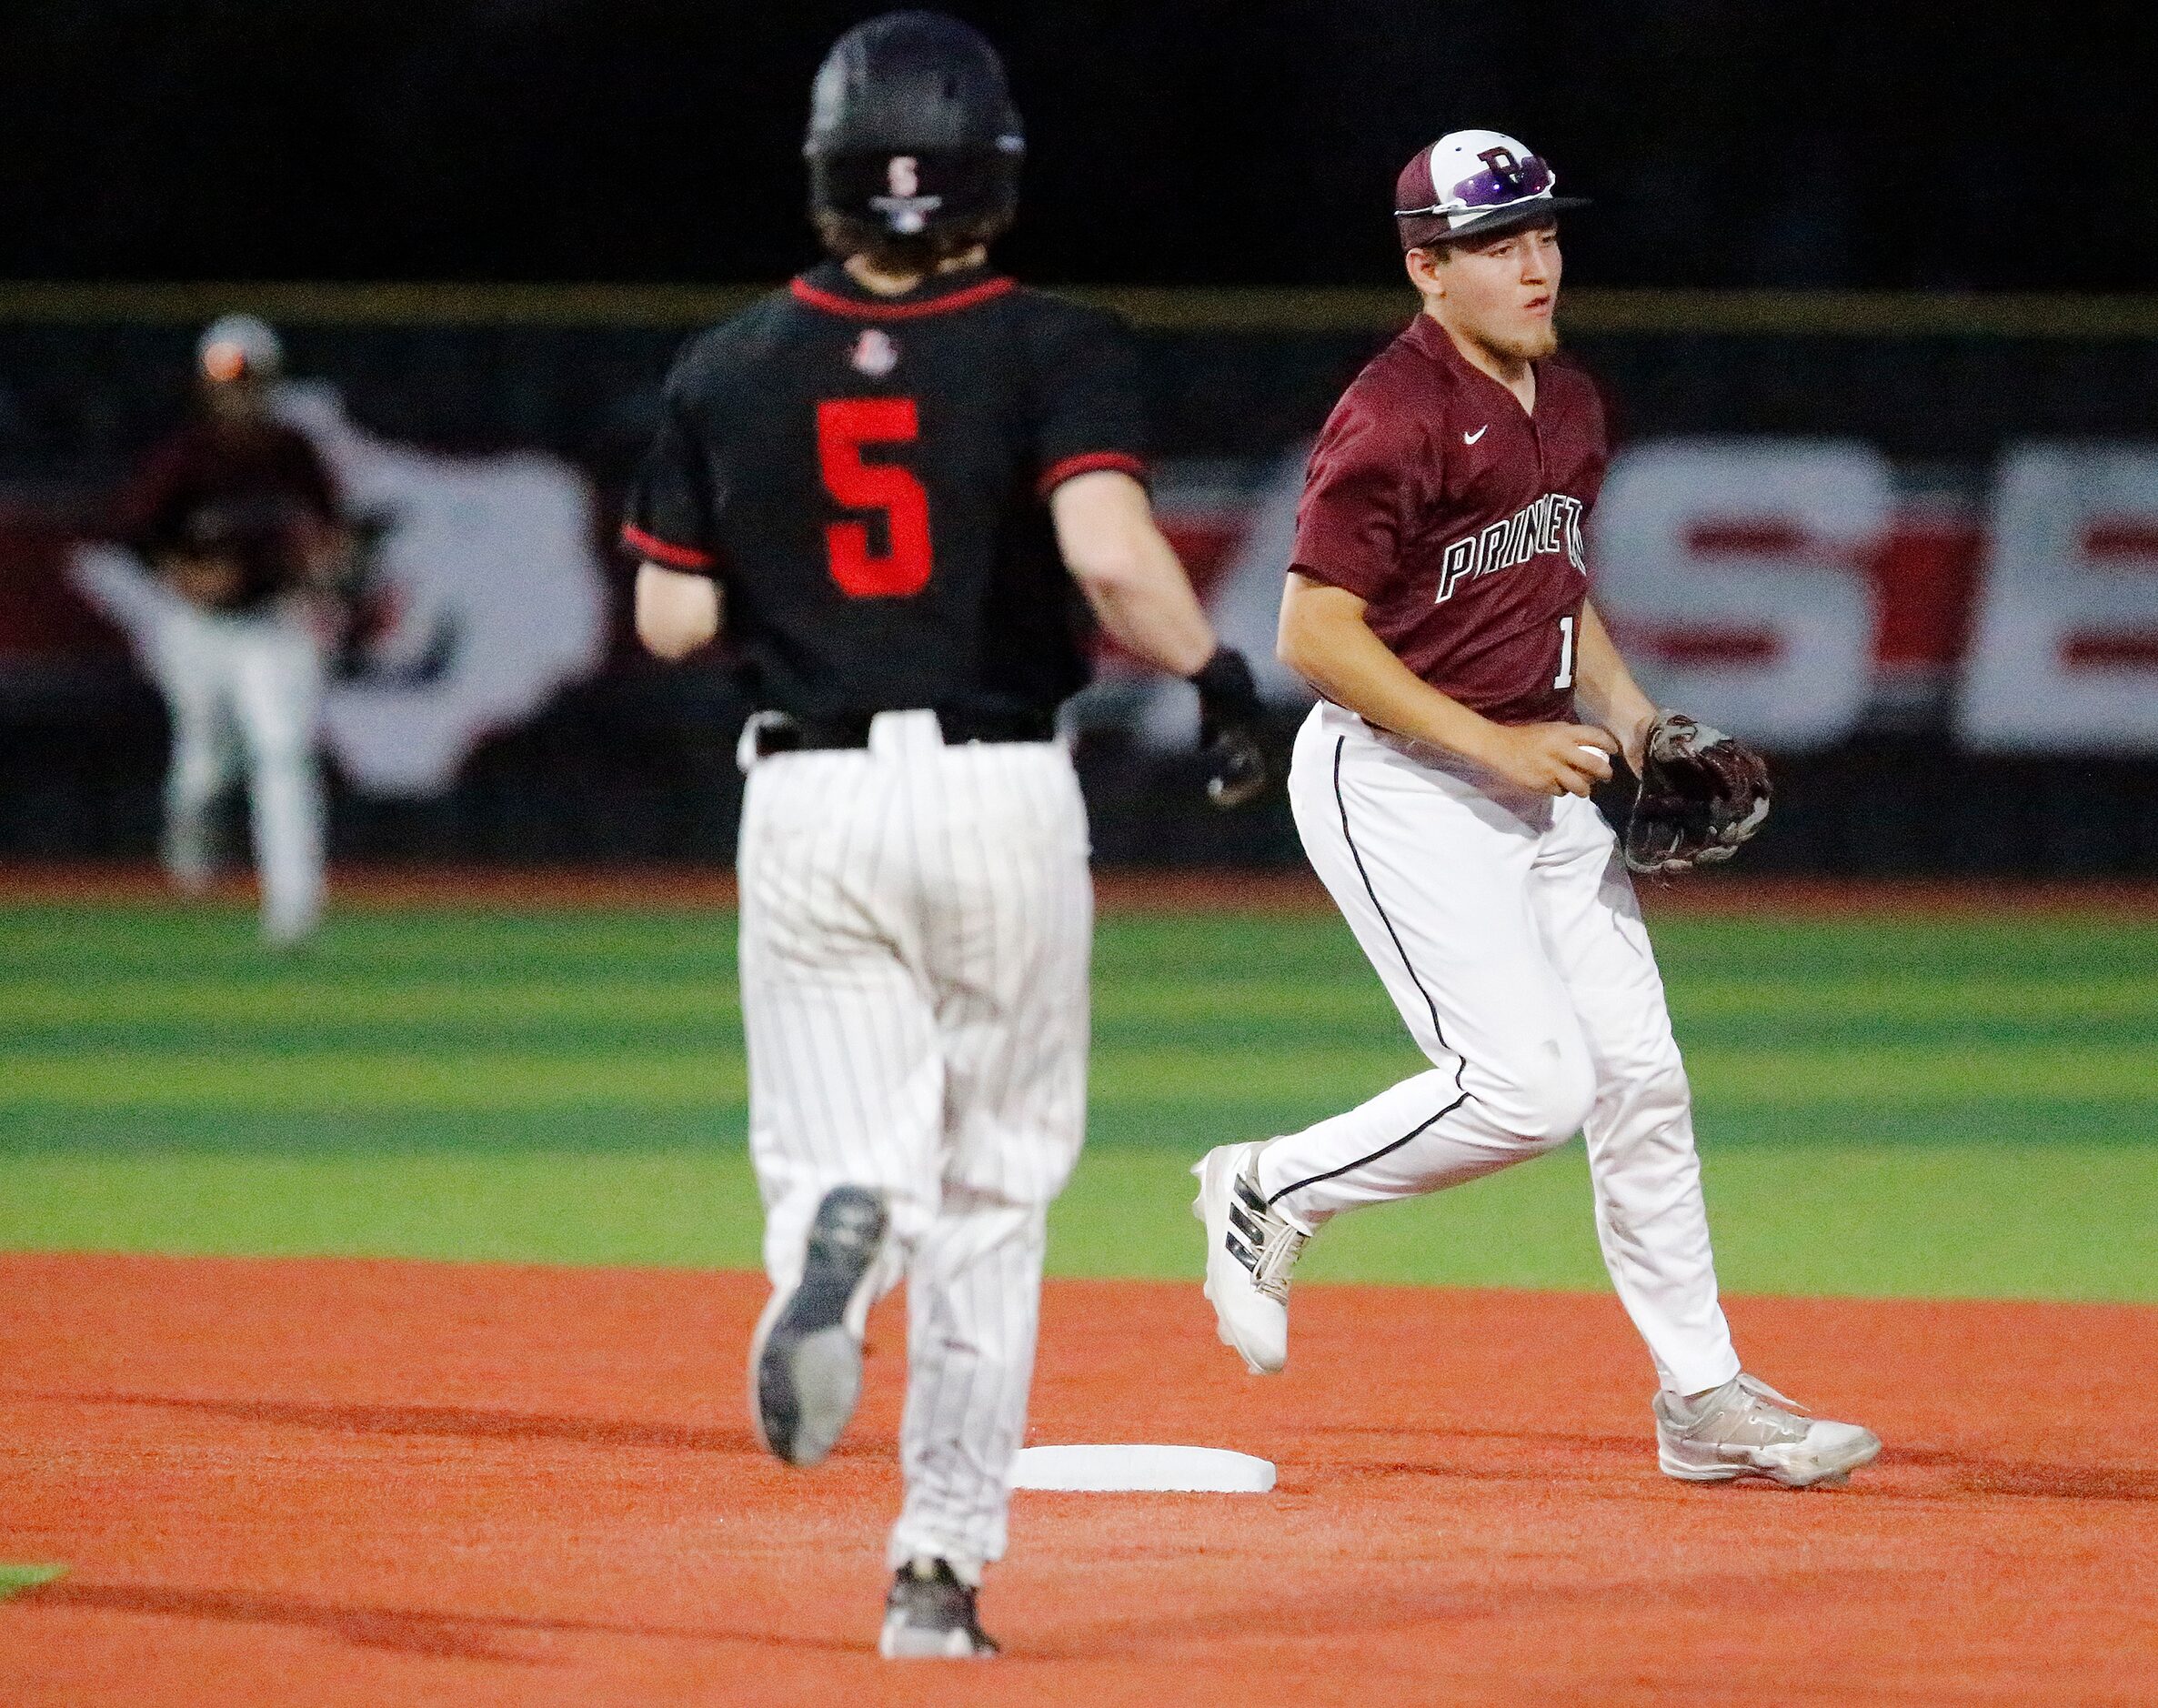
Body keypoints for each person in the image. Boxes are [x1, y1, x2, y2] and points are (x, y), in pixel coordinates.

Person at [623, 12, 1264, 1659]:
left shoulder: (726, 362)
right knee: (993, 1188)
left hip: (810, 793)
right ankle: (934, 1572)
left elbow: (674, 620)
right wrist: (1215, 674)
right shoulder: (1053, 341)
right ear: (994, 175)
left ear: (828, 177)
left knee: (838, 1150)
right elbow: (1113, 558)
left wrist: (796, 578)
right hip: (995, 785)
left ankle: (833, 1247)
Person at [1191, 130, 1880, 1490]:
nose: (1536, 263)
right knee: (1528, 1086)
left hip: (1534, 769)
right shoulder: (1387, 414)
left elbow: (1552, 587)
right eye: (1499, 244)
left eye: (1546, 236)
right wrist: (1495, 745)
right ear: (1425, 266)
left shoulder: (1566, 400)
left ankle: (1701, 1397)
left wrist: (1630, 716)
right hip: (1397, 781)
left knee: (1640, 1081)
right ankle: (1270, 1183)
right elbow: (1312, 632)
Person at [118, 315, 346, 944]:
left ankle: (293, 908)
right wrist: (186, 573)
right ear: (206, 386)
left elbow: (331, 534)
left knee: (283, 752)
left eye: (250, 380)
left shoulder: (293, 452)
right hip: (198, 630)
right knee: (202, 768)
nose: (239, 392)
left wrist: (321, 564)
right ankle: (189, 847)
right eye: (227, 380)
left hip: (273, 625)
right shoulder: (184, 459)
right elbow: (137, 538)